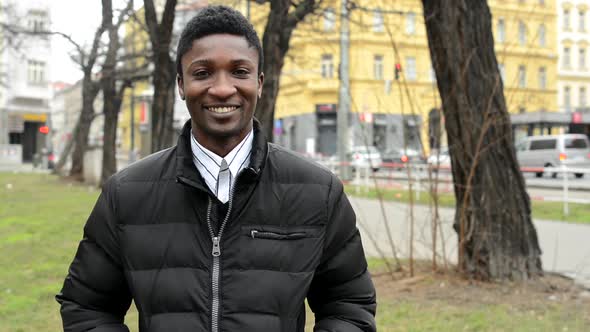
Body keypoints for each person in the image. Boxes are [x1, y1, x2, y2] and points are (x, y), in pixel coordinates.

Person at [56, 5, 376, 331]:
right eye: (203, 73)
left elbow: (349, 306)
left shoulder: (318, 193)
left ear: (259, 82)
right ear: (181, 84)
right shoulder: (126, 194)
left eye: (239, 71)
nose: (223, 88)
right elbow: (87, 306)